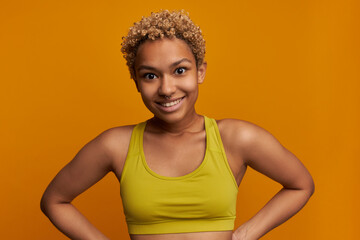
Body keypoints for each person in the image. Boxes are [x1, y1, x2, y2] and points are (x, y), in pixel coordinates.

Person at [40, 9, 314, 240]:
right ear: (136, 81)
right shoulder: (116, 145)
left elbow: (301, 184)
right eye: (150, 76)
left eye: (179, 70)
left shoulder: (235, 138)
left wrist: (245, 234)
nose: (167, 88)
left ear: (200, 72)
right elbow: (54, 200)